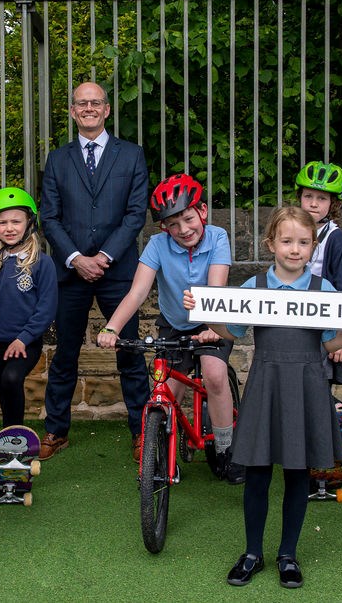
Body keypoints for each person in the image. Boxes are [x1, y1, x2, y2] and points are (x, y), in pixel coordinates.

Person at [183, 206, 342, 588]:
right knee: (257, 473)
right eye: (287, 241)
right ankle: (252, 553)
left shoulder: (322, 289)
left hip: (306, 384)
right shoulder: (254, 285)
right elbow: (231, 329)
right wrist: (205, 313)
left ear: (312, 246)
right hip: (266, 383)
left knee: (296, 473)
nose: (295, 249)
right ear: (271, 243)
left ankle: (287, 555)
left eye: (304, 242)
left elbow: (332, 342)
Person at [96, 173, 242, 483]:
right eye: (172, 225)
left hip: (212, 320)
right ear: (163, 227)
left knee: (215, 376)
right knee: (166, 392)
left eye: (188, 219)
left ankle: (227, 451)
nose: (183, 229)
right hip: (174, 324)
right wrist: (112, 328)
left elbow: (217, 286)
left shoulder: (217, 237)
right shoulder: (157, 245)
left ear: (201, 211)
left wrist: (214, 326)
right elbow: (137, 293)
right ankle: (161, 455)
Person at [39, 81, 150, 461]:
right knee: (65, 353)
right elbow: (48, 217)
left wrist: (103, 256)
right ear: (72, 111)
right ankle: (56, 430)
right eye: (81, 103)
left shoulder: (132, 155)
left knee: (129, 353)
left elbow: (136, 214)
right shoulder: (57, 159)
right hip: (69, 272)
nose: (88, 108)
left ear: (106, 110)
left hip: (117, 271)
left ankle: (141, 432)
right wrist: (74, 258)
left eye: (95, 103)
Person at [0, 187, 57, 427]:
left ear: (29, 222)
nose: (9, 228)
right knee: (3, 394)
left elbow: (46, 308)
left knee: (11, 379)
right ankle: (9, 438)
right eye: (3, 222)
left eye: (16, 221)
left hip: (25, 344)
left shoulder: (42, 263)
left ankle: (16, 438)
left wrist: (23, 338)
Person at [295, 161, 342, 398]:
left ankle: (333, 426)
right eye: (308, 196)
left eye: (322, 198)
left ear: (333, 204)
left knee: (317, 384)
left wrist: (341, 338)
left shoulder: (337, 241)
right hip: (298, 320)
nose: (313, 203)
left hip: (325, 326)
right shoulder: (293, 233)